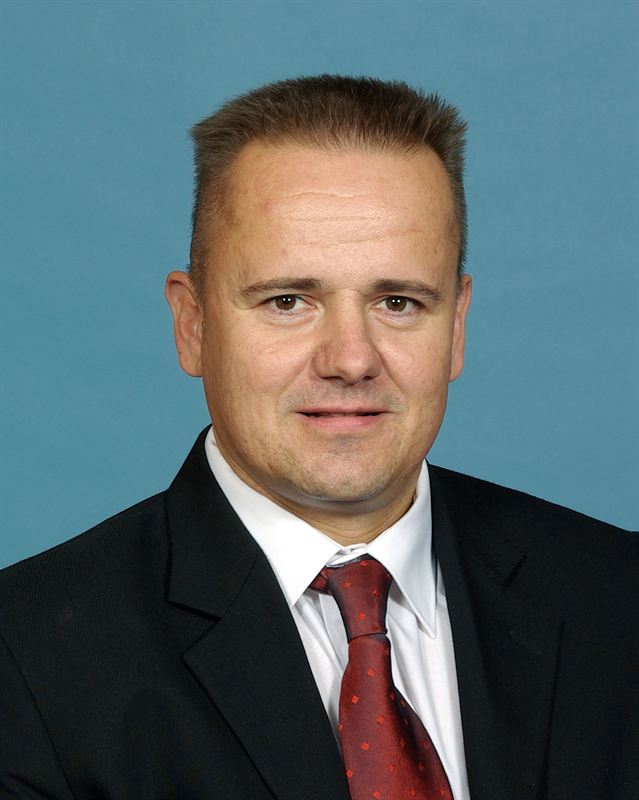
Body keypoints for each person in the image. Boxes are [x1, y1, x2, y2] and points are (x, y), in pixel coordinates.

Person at [0, 76, 637, 800]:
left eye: (397, 302)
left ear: (456, 326)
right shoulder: (26, 662)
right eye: (288, 301)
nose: (350, 360)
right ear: (193, 324)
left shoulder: (619, 601)